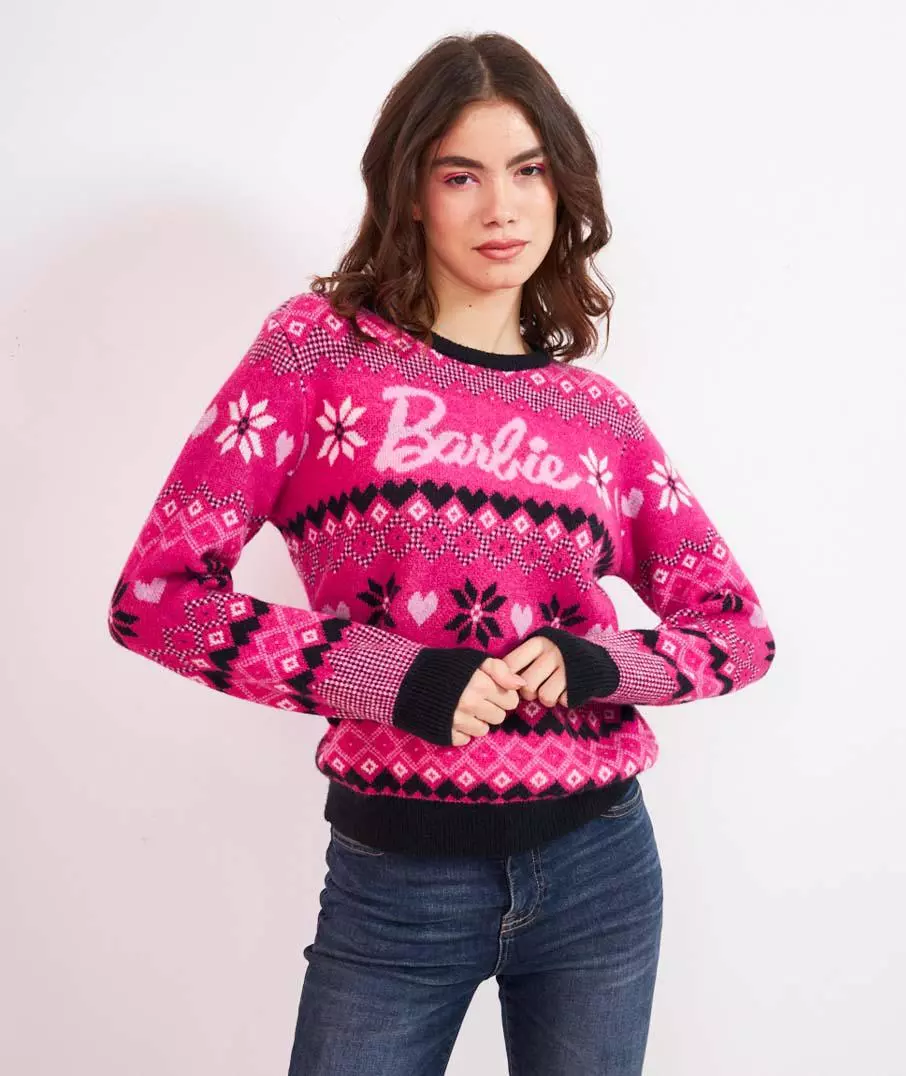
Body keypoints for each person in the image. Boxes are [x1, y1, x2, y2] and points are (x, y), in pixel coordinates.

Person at [107, 31, 776, 1076]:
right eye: (461, 175)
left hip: (601, 869)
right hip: (396, 884)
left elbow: (738, 630)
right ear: (410, 193)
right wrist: (394, 675)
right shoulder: (316, 353)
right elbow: (157, 597)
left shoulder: (595, 413)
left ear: (562, 187)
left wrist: (598, 663)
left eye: (528, 170)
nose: (501, 207)